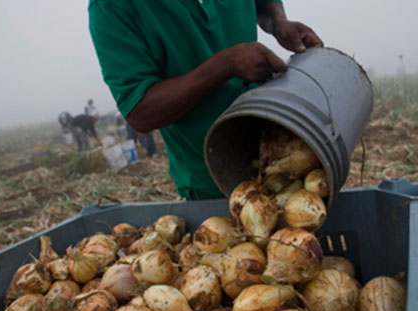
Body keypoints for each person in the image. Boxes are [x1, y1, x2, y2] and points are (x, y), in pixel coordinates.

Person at [89, 1, 322, 200]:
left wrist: (278, 22)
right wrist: (226, 64)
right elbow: (140, 111)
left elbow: (263, 3)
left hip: (286, 145)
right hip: (214, 179)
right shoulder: (112, 7)